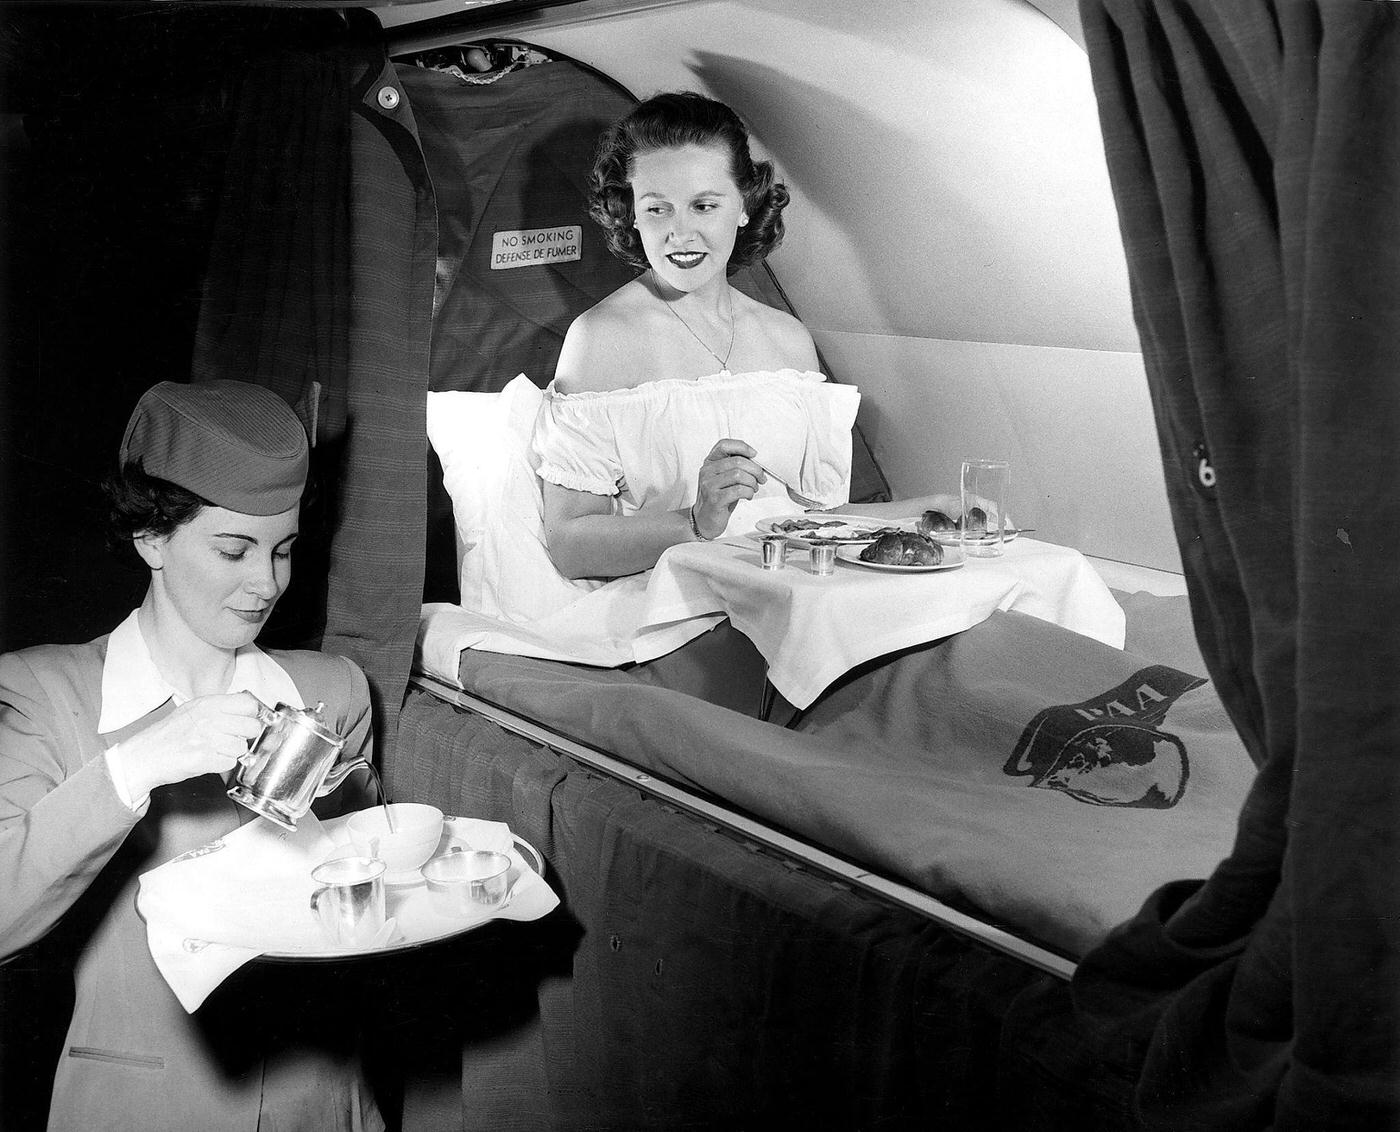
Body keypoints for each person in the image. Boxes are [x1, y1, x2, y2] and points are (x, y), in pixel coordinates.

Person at [0, 380, 383, 1131]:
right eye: (233, 549)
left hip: (325, 1107)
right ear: (151, 537)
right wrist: (140, 763)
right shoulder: (49, 698)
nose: (265, 583)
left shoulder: (334, 692)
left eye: (284, 549)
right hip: (143, 1108)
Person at [537, 90, 955, 580]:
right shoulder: (599, 338)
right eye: (657, 209)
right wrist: (696, 521)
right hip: (678, 601)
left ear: (743, 206)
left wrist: (929, 508)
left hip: (792, 587)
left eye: (703, 206)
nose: (680, 233)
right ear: (631, 212)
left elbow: (814, 527)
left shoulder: (788, 339)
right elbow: (570, 544)